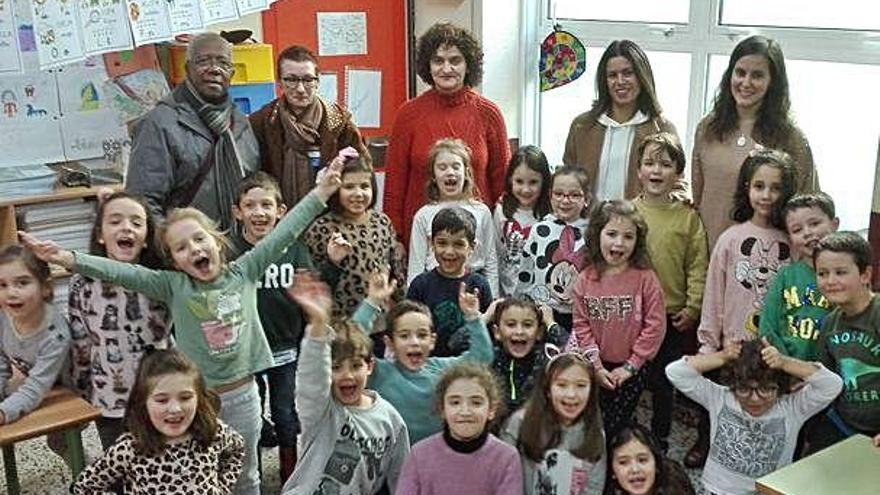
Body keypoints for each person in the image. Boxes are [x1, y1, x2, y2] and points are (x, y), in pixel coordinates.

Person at [20, 154, 344, 495]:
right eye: (181, 247)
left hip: (244, 396)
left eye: (200, 239)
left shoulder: (246, 269)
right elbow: (121, 271)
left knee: (247, 475)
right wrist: (66, 258)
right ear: (173, 261)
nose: (194, 249)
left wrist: (321, 192)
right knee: (197, 474)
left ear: (217, 242)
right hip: (196, 401)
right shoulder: (172, 286)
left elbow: (287, 231)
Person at [228, 171, 343, 481]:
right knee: (250, 417)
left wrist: (331, 265)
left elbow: (314, 293)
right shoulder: (228, 250)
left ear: (281, 210)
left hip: (285, 350)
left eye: (266, 205)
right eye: (250, 205)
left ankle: (289, 474)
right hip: (245, 352)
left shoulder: (294, 247)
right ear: (238, 211)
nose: (259, 212)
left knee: (286, 414)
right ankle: (246, 472)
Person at [688, 148, 795, 468]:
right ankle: (706, 442)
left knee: (763, 403)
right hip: (732, 344)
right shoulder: (731, 239)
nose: (767, 195)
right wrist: (709, 342)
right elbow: (715, 294)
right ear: (746, 188)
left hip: (772, 347)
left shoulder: (791, 242)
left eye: (776, 188)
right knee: (721, 401)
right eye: (759, 186)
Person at [385, 22, 511, 247]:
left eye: (455, 60)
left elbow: (503, 183)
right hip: (421, 240)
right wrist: (395, 239)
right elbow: (394, 185)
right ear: (427, 65)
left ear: (468, 65)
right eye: (438, 60)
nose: (446, 68)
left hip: (476, 241)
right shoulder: (407, 114)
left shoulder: (489, 114)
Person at [283, 274, 410, 494]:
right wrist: (319, 325)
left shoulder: (390, 419)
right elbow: (312, 377)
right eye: (336, 367)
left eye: (355, 366)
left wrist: (372, 302)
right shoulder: (320, 410)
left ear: (369, 366)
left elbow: (402, 477)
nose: (346, 375)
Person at [666, 339, 842, 495]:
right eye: (744, 389)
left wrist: (784, 362)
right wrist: (722, 357)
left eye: (766, 389)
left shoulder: (793, 407)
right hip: (720, 489)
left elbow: (832, 384)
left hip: (768, 489)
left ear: (780, 388)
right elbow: (676, 371)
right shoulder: (719, 398)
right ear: (732, 386)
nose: (755, 399)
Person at [692, 35, 818, 248]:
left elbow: (807, 207)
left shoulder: (790, 138)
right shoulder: (708, 128)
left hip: (765, 260)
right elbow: (697, 195)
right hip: (709, 254)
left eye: (757, 75)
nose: (746, 83)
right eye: (740, 73)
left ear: (772, 83)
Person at [68, 192, 171, 450]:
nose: (126, 227)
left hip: (162, 393)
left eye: (136, 223)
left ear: (146, 239)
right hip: (109, 399)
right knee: (119, 467)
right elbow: (81, 342)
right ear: (101, 235)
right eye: (115, 221)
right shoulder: (82, 282)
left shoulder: (161, 280)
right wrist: (80, 394)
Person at [126, 32, 259, 232]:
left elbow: (255, 188)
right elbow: (142, 203)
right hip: (187, 252)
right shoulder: (159, 123)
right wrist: (175, 248)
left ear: (231, 73)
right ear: (187, 68)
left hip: (241, 250)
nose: (214, 69)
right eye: (204, 61)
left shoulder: (240, 124)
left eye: (223, 63)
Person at [71, 349, 245, 494]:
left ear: (199, 398)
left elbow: (237, 449)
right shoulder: (131, 447)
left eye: (185, 397)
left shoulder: (213, 432)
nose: (175, 408)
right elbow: (85, 486)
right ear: (143, 403)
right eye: (162, 400)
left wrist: (222, 488)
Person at [354, 269, 493, 444]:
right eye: (404, 336)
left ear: (432, 341)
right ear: (390, 343)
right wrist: (372, 302)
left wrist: (473, 317)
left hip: (434, 461)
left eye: (421, 335)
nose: (415, 342)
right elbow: (352, 346)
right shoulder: (379, 372)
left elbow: (482, 358)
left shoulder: (442, 369)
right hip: (391, 462)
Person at [632, 133, 708, 451]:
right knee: (632, 377)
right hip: (633, 313)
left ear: (678, 174)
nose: (656, 171)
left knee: (664, 382)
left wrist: (692, 307)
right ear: (638, 170)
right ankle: (627, 430)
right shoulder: (627, 213)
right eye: (649, 163)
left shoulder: (688, 217)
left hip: (671, 314)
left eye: (665, 164)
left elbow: (697, 265)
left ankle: (660, 436)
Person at [566, 200, 666, 440]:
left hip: (632, 368)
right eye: (611, 234)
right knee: (592, 422)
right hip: (595, 365)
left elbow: (655, 326)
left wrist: (631, 366)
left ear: (637, 241)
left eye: (628, 236)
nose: (619, 243)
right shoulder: (584, 280)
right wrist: (597, 367)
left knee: (618, 425)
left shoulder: (646, 279)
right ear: (597, 234)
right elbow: (582, 327)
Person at [250, 45, 368, 206]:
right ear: (279, 83)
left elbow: (362, 172)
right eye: (291, 80)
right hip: (279, 219)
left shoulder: (338, 122)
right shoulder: (263, 122)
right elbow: (254, 178)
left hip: (331, 217)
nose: (300, 89)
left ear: (317, 81)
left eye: (307, 80)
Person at [562, 40, 678, 201]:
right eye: (612, 75)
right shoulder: (582, 126)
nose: (620, 81)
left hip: (640, 223)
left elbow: (678, 184)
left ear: (642, 77)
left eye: (628, 73)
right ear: (604, 81)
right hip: (588, 223)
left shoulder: (662, 128)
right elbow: (566, 179)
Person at [302, 150, 405, 320]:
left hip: (378, 321)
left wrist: (402, 308)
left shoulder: (382, 222)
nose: (358, 194)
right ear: (336, 189)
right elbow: (313, 279)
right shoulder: (321, 228)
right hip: (339, 326)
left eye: (364, 186)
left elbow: (395, 271)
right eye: (349, 187)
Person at [396, 362, 523, 494]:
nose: (465, 412)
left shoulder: (506, 457)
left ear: (491, 409)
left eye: (476, 403)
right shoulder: (419, 455)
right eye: (455, 402)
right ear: (442, 409)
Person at [810, 232, 880, 452]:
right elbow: (826, 378)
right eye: (822, 273)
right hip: (845, 427)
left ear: (865, 274)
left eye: (841, 272)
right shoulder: (829, 324)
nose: (830, 281)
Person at [500, 352, 607, 494]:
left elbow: (593, 487)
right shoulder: (519, 423)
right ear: (547, 390)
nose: (571, 394)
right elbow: (503, 478)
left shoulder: (595, 434)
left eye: (581, 385)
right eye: (562, 385)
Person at [407, 138, 500, 296]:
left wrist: (493, 302)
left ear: (466, 172)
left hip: (474, 288)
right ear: (434, 176)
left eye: (456, 167)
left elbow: (491, 260)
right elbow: (415, 266)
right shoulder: (423, 215)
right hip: (434, 289)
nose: (450, 172)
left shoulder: (482, 211)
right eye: (442, 167)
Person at [759, 193, 839, 361]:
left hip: (831, 374)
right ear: (790, 238)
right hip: (785, 370)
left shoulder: (844, 276)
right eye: (797, 230)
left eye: (815, 224)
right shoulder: (786, 276)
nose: (807, 233)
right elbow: (768, 326)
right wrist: (785, 364)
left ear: (834, 224)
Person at [514, 166, 592, 336]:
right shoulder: (540, 230)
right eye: (559, 194)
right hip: (544, 312)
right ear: (550, 196)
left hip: (582, 316)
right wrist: (521, 304)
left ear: (586, 198)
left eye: (574, 195)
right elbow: (526, 271)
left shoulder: (593, 232)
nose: (565, 200)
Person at [0, 246, 71, 428]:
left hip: (70, 391)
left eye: (22, 283)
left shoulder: (56, 333)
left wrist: (3, 413)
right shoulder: (2, 320)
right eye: (2, 285)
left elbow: (37, 387)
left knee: (59, 442)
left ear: (45, 288)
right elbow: (1, 369)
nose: (11, 293)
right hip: (39, 382)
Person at [407, 207, 493, 357]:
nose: (449, 251)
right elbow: (409, 328)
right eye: (442, 243)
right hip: (430, 366)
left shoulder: (479, 285)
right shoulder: (421, 285)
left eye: (458, 244)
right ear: (431, 244)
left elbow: (487, 332)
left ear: (472, 247)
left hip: (469, 364)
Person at [489, 296, 565, 418]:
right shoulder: (490, 354)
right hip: (496, 429)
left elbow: (569, 349)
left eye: (527, 325)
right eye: (511, 324)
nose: (519, 331)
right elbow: (455, 343)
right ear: (497, 332)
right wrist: (486, 316)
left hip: (534, 426)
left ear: (539, 332)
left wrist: (551, 323)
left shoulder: (544, 355)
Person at [494, 146, 552, 297]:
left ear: (544, 182)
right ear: (510, 180)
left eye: (533, 182)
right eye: (519, 181)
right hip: (508, 293)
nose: (526, 189)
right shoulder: (501, 210)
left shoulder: (550, 213)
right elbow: (496, 253)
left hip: (540, 296)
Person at [603, 424, 695, 495]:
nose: (635, 469)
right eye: (623, 462)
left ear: (656, 464)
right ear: (612, 472)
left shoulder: (676, 489)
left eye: (642, 460)